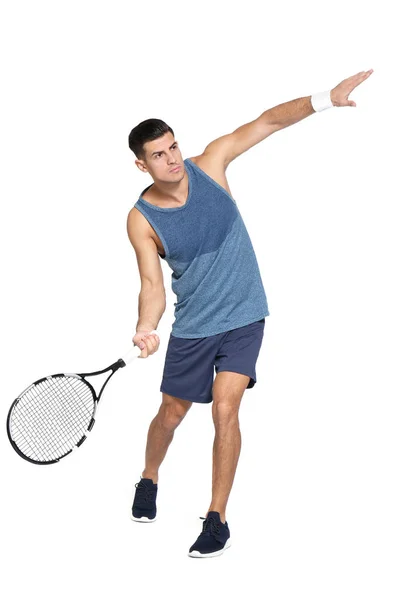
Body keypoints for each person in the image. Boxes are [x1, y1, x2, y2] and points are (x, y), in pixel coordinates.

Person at [126, 69, 373, 558]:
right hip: (194, 326)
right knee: (171, 416)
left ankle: (216, 518)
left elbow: (266, 123)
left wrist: (326, 98)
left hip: (244, 316)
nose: (172, 158)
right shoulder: (141, 219)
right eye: (159, 154)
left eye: (173, 146)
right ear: (141, 165)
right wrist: (145, 327)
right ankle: (149, 476)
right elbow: (152, 287)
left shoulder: (211, 165)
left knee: (226, 409)